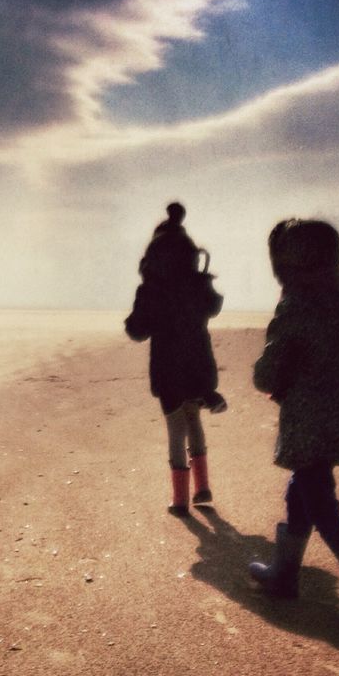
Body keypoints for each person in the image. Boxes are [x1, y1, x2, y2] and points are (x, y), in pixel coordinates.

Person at [248, 218, 339, 627]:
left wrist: (270, 376)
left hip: (309, 417)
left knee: (322, 505)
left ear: (287, 265)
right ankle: (284, 573)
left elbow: (268, 373)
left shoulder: (295, 307)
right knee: (305, 489)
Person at [125, 203, 225, 515]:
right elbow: (212, 307)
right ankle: (203, 487)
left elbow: (137, 330)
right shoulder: (197, 284)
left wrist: (137, 320)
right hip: (198, 366)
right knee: (194, 419)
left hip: (168, 368)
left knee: (175, 426)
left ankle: (180, 499)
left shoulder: (152, 290)